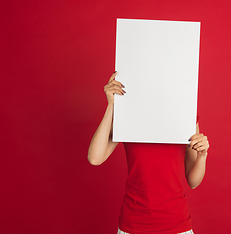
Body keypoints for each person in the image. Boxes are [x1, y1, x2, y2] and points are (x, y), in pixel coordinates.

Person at [88, 71, 210, 234]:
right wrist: (112, 105)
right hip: (133, 224)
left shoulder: (184, 118)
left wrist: (202, 155)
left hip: (176, 224)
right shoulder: (128, 117)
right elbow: (95, 158)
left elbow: (193, 181)